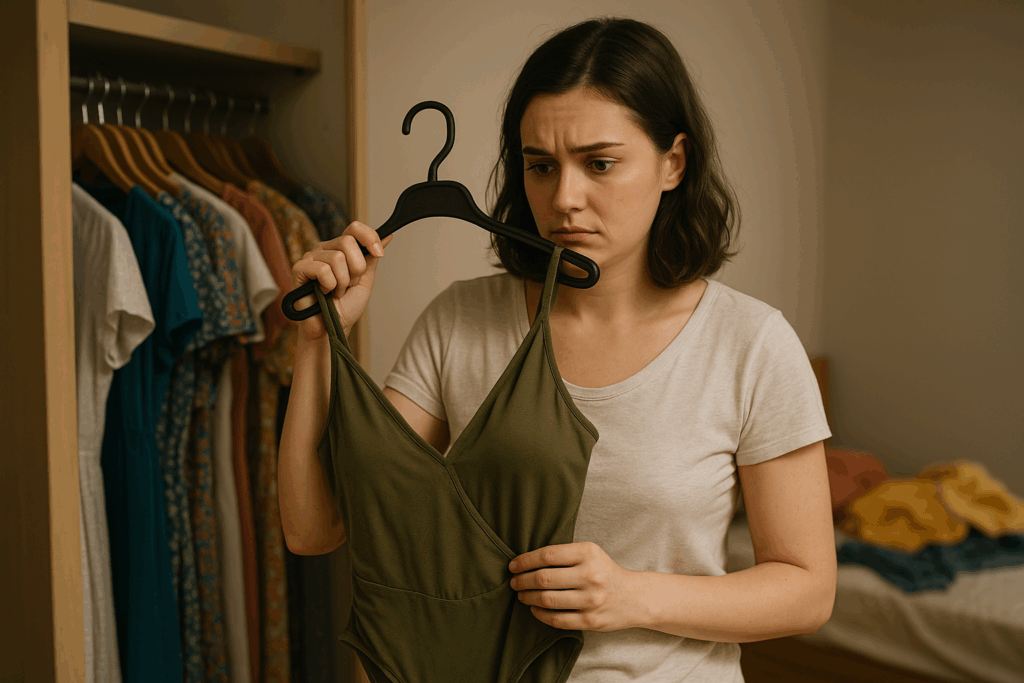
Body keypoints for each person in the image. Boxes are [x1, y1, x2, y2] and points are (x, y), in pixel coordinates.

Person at [279, 15, 836, 682]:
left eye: (599, 163)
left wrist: (632, 593)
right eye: (541, 166)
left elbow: (808, 588)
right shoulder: (461, 321)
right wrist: (317, 342)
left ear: (673, 163)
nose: (564, 198)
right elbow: (316, 528)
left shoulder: (751, 344)